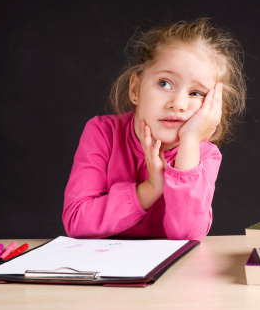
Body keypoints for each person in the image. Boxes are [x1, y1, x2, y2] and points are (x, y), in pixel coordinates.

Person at [63, 18, 246, 241]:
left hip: (167, 275)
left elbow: (187, 236)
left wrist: (189, 143)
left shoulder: (203, 155)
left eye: (196, 93)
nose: (178, 103)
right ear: (135, 89)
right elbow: (77, 222)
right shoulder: (103, 133)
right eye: (164, 84)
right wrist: (151, 188)